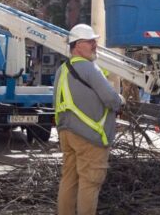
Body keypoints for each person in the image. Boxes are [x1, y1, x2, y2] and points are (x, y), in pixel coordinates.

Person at [55, 24, 123, 215]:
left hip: (67, 133)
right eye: (90, 41)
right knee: (90, 183)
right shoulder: (89, 68)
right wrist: (120, 100)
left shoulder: (62, 70)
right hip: (90, 137)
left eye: (95, 41)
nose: (95, 44)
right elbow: (111, 99)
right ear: (76, 45)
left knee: (69, 180)